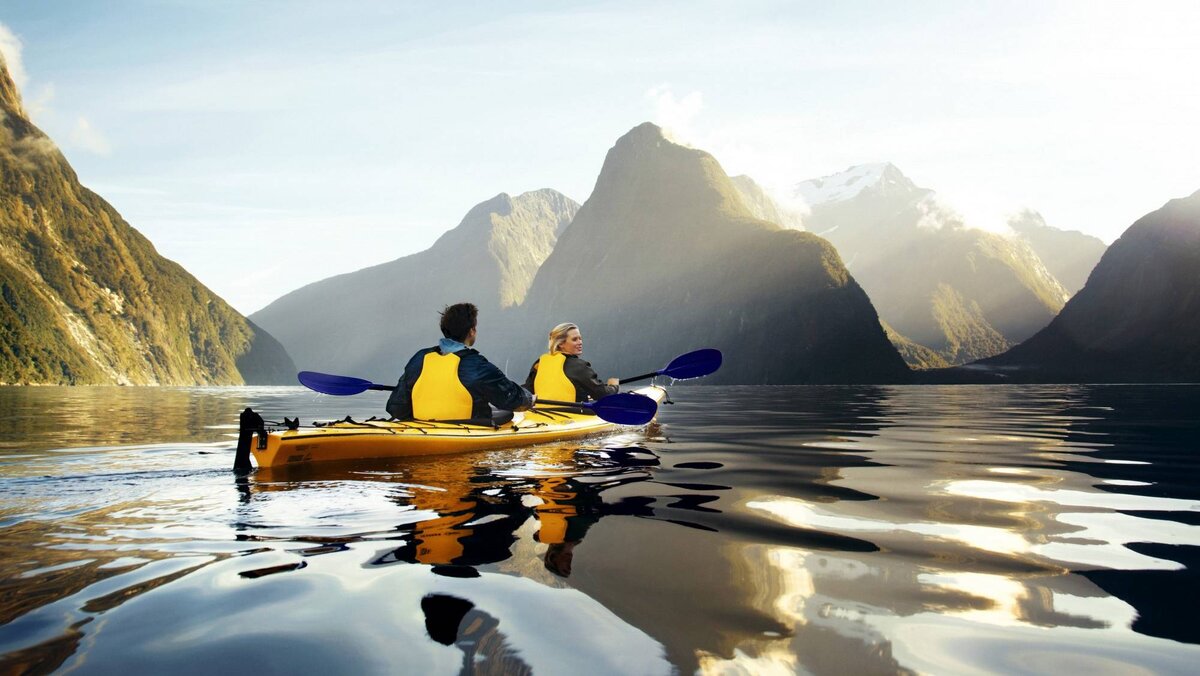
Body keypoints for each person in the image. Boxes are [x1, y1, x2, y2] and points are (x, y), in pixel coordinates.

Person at [387, 302, 533, 423]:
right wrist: (530, 398)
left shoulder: (419, 359)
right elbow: (513, 399)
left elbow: (396, 407)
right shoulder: (477, 366)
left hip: (421, 427)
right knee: (506, 414)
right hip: (468, 429)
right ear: (471, 331)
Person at [524, 323, 618, 403]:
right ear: (561, 343)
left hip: (542, 417)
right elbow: (602, 395)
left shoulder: (540, 363)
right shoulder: (579, 366)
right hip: (573, 418)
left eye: (580, 338)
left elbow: (527, 391)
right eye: (574, 339)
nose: (580, 342)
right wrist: (613, 386)